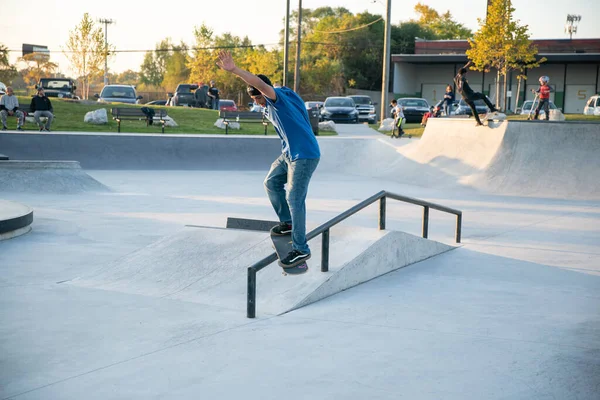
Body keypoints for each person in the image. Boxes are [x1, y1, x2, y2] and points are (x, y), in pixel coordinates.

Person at [216, 50, 320, 269]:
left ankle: (301, 249)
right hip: (290, 154)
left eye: (257, 98)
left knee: (294, 197)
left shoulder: (276, 97)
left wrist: (234, 70)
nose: (258, 103)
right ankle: (288, 222)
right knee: (271, 182)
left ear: (264, 93)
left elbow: (259, 84)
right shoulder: (285, 93)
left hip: (304, 155)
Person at [455, 60, 499, 126]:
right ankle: (492, 109)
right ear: (464, 73)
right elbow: (461, 83)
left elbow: (461, 70)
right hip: (471, 95)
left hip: (465, 98)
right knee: (483, 96)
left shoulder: (456, 77)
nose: (466, 74)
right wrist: (460, 88)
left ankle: (478, 121)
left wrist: (467, 64)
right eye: (466, 73)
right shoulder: (462, 78)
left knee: (473, 108)